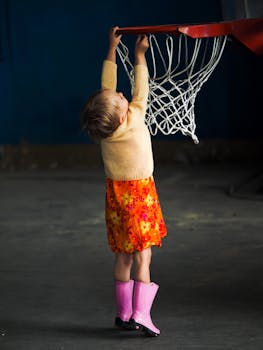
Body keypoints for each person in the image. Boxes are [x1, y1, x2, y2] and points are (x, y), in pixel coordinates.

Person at [81, 26, 167, 337]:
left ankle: (123, 313)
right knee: (144, 256)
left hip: (116, 197)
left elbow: (107, 87)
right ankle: (142, 314)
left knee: (123, 255)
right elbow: (140, 89)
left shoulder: (105, 133)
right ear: (121, 116)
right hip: (140, 196)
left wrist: (111, 49)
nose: (121, 93)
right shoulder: (134, 117)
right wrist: (139, 56)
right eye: (119, 98)